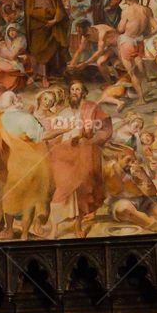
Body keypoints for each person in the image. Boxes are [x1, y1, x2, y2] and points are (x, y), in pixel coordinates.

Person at [0, 91, 52, 239]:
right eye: (17, 97)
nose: (20, 98)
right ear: (14, 101)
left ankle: (9, 230)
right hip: (30, 164)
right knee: (28, 200)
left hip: (10, 165)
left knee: (10, 198)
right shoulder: (26, 118)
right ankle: (24, 234)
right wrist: (63, 130)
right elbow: (39, 137)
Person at [44, 81, 112, 237]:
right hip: (63, 155)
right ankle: (55, 229)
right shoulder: (64, 112)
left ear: (84, 93)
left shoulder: (92, 108)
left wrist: (90, 140)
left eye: (78, 89)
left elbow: (106, 128)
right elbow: (52, 133)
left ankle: (77, 226)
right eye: (72, 89)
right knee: (61, 189)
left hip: (84, 153)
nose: (74, 92)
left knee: (80, 191)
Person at [23, 0, 68, 83]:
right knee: (34, 50)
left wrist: (54, 20)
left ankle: (44, 77)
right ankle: (34, 74)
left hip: (50, 25)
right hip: (36, 25)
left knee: (47, 51)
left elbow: (60, 8)